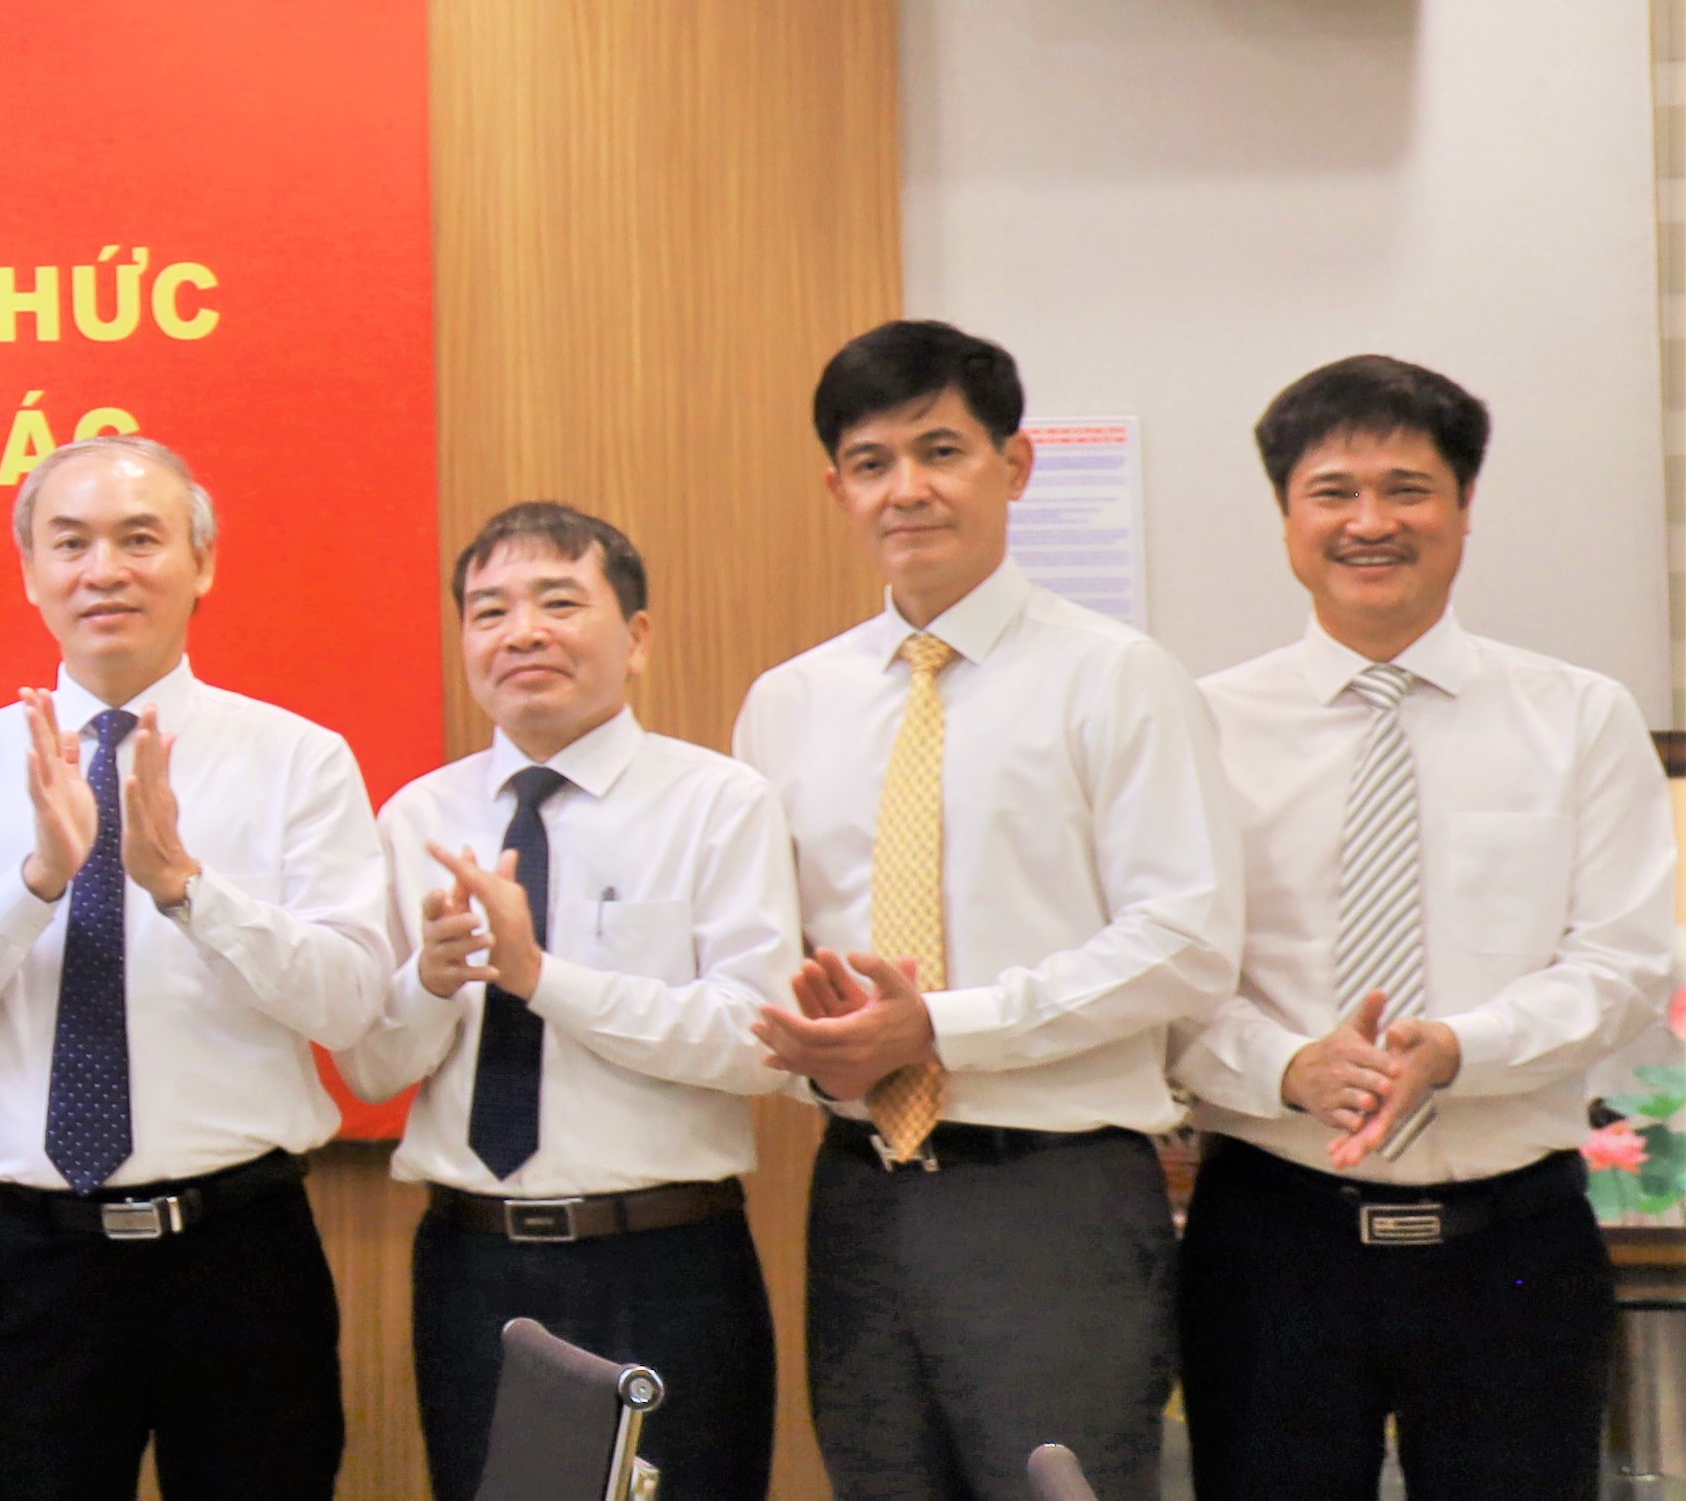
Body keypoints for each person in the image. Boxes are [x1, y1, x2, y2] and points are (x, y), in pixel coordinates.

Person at [729, 322, 1231, 1501]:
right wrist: (812, 1038)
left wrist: (937, 1026)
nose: (904, 488)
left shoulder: (1115, 675)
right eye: (870, 462)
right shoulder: (787, 702)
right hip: (859, 1190)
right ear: (836, 488)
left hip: (1052, 1197)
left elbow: (1183, 941)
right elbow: (763, 949)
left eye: (939, 450)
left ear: (1013, 465)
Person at [1169, 357, 1669, 1500]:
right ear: (1285, 515)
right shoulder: (1199, 722)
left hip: (1511, 1241)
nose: (1369, 520)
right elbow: (1171, 968)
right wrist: (1285, 1065)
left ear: (1462, 504)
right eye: (1331, 490)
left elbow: (1623, 959)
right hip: (1273, 1238)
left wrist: (1455, 1046)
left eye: (1406, 488)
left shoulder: (1576, 715)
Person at [0, 435, 396, 1501]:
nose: (102, 569)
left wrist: (187, 889)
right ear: (30, 573)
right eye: (70, 543)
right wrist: (32, 882)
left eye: (138, 539)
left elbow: (350, 1003)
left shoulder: (297, 757)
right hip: (39, 1263)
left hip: (240, 1253)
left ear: (201, 562)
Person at [352, 503, 797, 1501]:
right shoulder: (417, 815)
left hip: (664, 1261)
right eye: (488, 611)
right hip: (471, 1265)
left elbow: (755, 1041)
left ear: (634, 638)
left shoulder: (716, 801)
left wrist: (539, 976)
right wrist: (429, 982)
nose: (521, 633)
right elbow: (372, 1068)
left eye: (557, 603)